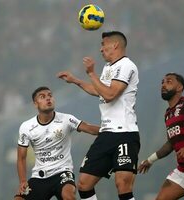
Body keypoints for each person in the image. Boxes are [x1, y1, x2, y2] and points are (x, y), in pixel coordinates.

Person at [57, 31, 140, 200]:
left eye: (103, 44)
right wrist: (76, 80)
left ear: (115, 45)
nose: (101, 49)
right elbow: (99, 91)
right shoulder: (108, 67)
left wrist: (91, 73)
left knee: (122, 184)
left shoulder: (127, 65)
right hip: (106, 134)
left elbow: (110, 94)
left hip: (124, 133)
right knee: (84, 184)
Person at [14, 86, 100, 200]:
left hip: (63, 173)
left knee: (68, 195)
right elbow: (21, 158)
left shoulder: (66, 119)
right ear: (35, 104)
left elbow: (89, 128)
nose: (48, 99)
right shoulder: (26, 126)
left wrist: (112, 129)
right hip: (39, 177)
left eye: (50, 95)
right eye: (42, 97)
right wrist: (23, 181)